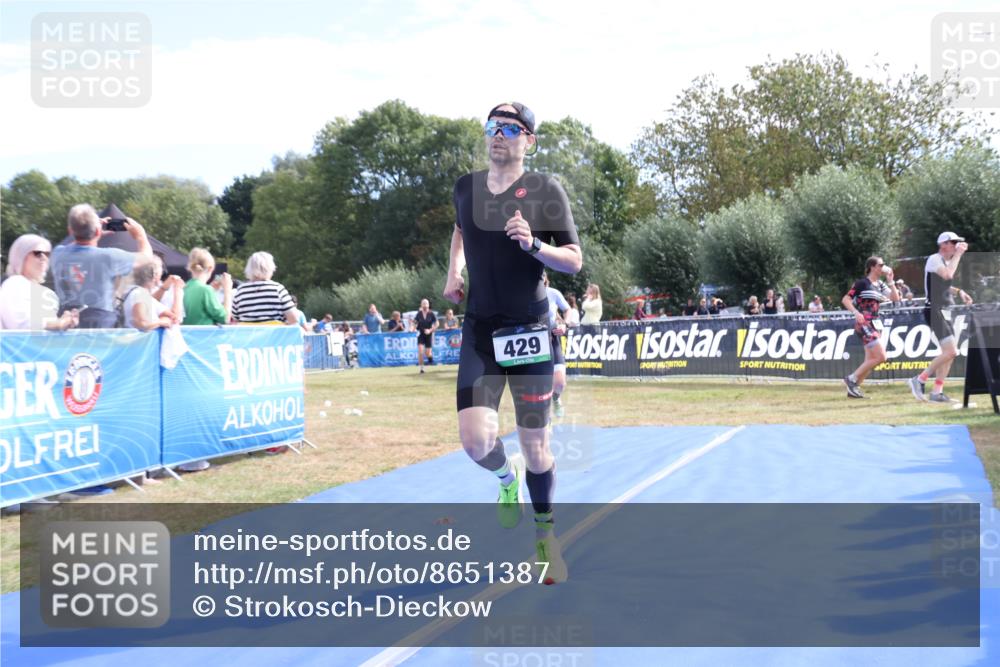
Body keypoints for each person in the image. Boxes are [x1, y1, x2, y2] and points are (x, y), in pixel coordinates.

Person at [443, 101, 582, 585]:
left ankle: (547, 539)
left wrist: (534, 246)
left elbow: (574, 260)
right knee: (476, 442)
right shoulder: (466, 187)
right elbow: (460, 230)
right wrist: (454, 270)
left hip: (529, 331)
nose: (498, 134)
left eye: (509, 128)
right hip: (480, 330)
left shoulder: (546, 190)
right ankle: (506, 479)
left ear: (529, 140)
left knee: (537, 445)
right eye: (491, 127)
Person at [51, 204, 153, 328]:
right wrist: (140, 235)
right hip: (101, 328)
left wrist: (89, 230)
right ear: (98, 231)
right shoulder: (110, 257)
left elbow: (73, 244)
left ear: (70, 230)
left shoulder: (58, 253)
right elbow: (147, 257)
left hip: (67, 326)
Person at [908, 232, 974, 403]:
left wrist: (960, 292)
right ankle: (920, 379)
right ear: (944, 244)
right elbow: (948, 276)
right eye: (954, 242)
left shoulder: (943, 262)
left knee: (949, 354)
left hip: (942, 310)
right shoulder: (934, 259)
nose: (956, 245)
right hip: (934, 310)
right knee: (951, 351)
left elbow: (945, 282)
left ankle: (937, 391)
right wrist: (958, 255)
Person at [841, 257, 899, 398]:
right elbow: (845, 299)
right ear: (872, 267)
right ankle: (851, 378)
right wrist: (856, 313)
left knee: (870, 360)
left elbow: (895, 299)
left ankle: (853, 389)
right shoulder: (862, 283)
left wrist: (891, 281)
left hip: (875, 323)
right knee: (881, 356)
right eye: (881, 265)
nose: (883, 267)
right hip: (864, 323)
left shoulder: (880, 284)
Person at [1, 234, 78, 331]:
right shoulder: (14, 284)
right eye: (38, 253)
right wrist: (58, 324)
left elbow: (42, 328)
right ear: (21, 256)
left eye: (47, 254)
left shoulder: (40, 290)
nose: (44, 258)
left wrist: (65, 322)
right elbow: (22, 326)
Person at [231, 251, 298, 325]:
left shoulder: (240, 291)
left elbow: (235, 318)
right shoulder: (278, 289)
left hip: (248, 335)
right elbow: (294, 318)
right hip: (274, 335)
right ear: (270, 268)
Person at [123, 256, 182, 330]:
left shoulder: (141, 294)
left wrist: (176, 290)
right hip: (140, 341)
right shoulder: (140, 294)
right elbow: (142, 324)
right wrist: (160, 322)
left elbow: (174, 317)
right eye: (160, 267)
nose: (162, 272)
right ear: (154, 274)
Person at [543, 272, 570, 418]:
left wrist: (564, 324)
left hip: (552, 338)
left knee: (559, 383)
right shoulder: (523, 293)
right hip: (533, 341)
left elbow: (567, 309)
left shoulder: (553, 293)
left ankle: (555, 398)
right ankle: (544, 419)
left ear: (545, 279)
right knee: (540, 384)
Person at [183, 247, 233, 325]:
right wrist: (228, 291)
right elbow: (225, 318)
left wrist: (212, 290)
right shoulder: (206, 290)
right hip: (204, 335)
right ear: (210, 268)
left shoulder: (184, 287)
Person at [414, 298, 437, 373]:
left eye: (426, 303)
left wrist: (430, 330)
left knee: (428, 353)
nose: (424, 305)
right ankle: (422, 368)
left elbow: (437, 324)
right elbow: (415, 322)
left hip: (429, 334)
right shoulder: (418, 314)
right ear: (421, 305)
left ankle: (430, 358)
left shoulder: (431, 314)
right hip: (420, 334)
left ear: (428, 305)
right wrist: (413, 326)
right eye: (423, 303)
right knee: (420, 351)